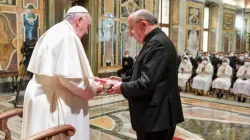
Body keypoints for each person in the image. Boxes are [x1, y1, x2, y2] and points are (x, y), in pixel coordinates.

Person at [21, 6, 105, 140]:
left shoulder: (54, 31)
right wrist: (94, 87)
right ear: (79, 20)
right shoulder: (68, 37)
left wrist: (87, 78)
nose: (87, 32)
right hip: (55, 100)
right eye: (87, 26)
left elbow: (62, 72)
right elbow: (71, 80)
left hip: (41, 95)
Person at [107, 9, 184, 140]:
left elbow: (146, 83)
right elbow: (150, 75)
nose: (130, 34)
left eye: (130, 28)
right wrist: (123, 81)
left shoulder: (157, 43)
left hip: (157, 118)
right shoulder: (155, 40)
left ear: (142, 24)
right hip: (157, 116)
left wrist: (122, 87)